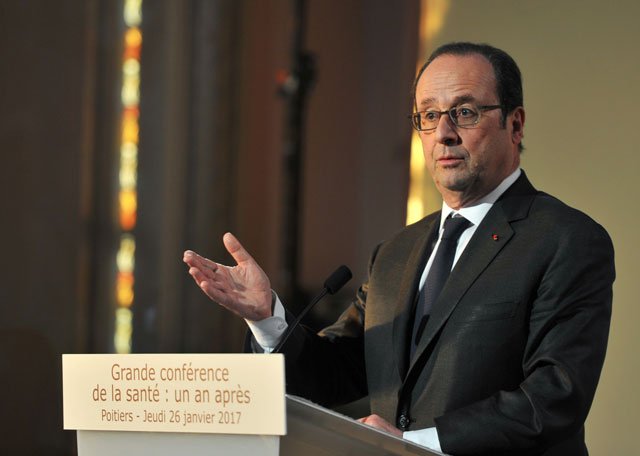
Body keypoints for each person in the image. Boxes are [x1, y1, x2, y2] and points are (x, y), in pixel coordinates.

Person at [183, 42, 614, 455]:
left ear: (514, 124)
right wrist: (267, 319)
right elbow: (333, 375)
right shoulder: (396, 253)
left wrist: (413, 445)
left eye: (464, 112)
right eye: (428, 115)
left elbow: (555, 396)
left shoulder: (565, 239)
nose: (443, 133)